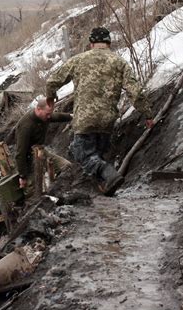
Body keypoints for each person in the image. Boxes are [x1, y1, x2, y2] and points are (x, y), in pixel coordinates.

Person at [46, 27, 154, 196]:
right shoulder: (120, 63)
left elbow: (52, 81)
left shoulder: (78, 60)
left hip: (85, 120)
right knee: (99, 155)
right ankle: (107, 192)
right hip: (107, 121)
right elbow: (135, 92)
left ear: (91, 43)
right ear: (109, 43)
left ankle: (110, 175)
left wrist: (51, 99)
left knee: (83, 155)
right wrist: (147, 113)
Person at [15, 98, 72, 191]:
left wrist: (71, 116)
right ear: (38, 109)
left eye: (50, 113)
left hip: (41, 152)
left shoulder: (44, 116)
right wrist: (22, 176)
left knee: (66, 166)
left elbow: (57, 116)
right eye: (47, 114)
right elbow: (20, 152)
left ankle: (59, 191)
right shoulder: (26, 126)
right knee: (34, 189)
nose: (49, 116)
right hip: (29, 158)